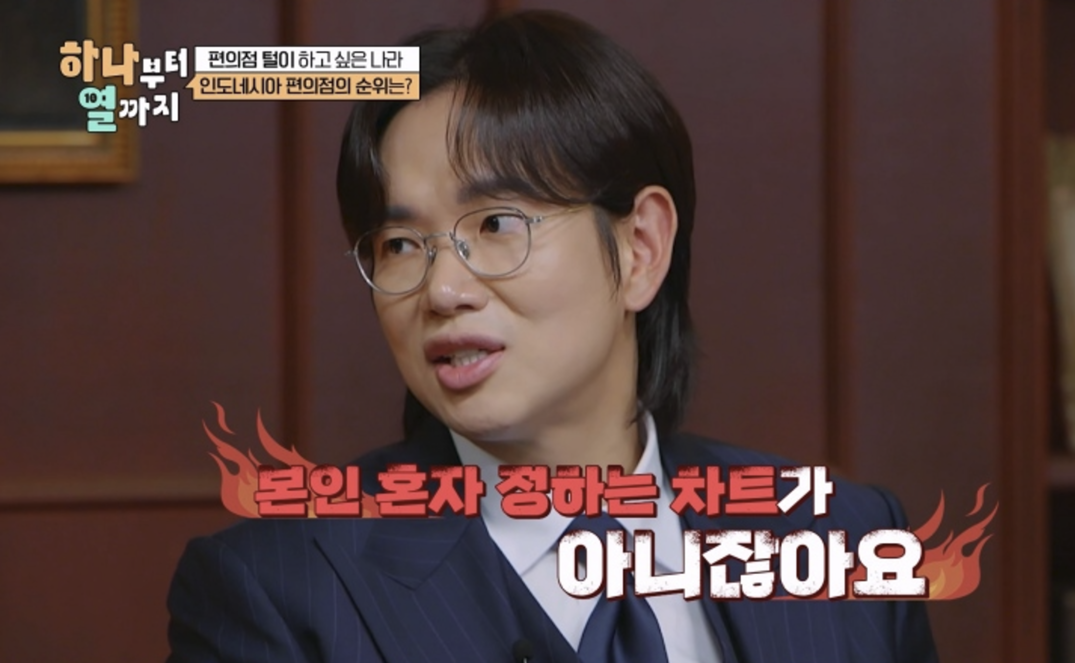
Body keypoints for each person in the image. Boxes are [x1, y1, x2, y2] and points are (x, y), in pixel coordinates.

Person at [166, 10, 940, 663]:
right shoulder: (277, 591)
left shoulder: (843, 540)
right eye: (401, 244)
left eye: (496, 225)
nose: (443, 289)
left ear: (641, 249)